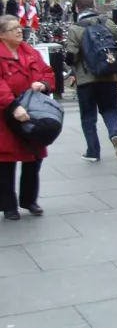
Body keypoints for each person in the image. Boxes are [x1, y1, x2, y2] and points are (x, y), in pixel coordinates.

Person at [0, 14, 55, 220]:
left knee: (34, 157)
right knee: (6, 162)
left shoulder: (29, 51)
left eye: (19, 26)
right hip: (5, 116)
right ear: (2, 35)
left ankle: (29, 200)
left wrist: (44, 84)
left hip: (32, 113)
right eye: (13, 28)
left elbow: (47, 72)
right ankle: (8, 206)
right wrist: (12, 106)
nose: (19, 30)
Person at [64, 0, 117, 162]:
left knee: (88, 117)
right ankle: (115, 133)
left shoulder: (75, 29)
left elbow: (71, 57)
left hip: (86, 80)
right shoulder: (109, 24)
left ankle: (93, 151)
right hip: (108, 75)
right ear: (93, 6)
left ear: (78, 9)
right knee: (110, 110)